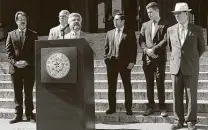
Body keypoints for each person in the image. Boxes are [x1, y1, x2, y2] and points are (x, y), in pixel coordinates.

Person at [167, 3, 206, 130]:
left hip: (191, 66)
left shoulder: (196, 29)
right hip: (176, 67)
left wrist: (192, 59)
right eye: (175, 14)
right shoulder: (170, 29)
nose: (176, 16)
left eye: (179, 13)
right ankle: (178, 120)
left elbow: (201, 48)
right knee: (176, 95)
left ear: (186, 14)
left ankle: (191, 121)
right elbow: (171, 47)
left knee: (191, 95)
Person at [5, 11, 38, 124]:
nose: (23, 21)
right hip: (15, 69)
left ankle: (30, 114)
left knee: (28, 92)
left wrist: (27, 62)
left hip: (29, 68)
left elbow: (36, 52)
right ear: (16, 21)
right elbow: (9, 52)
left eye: (24, 19)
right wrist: (15, 62)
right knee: (17, 92)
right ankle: (18, 115)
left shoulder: (33, 34)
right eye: (20, 19)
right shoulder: (10, 34)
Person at [104, 13, 137, 115]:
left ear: (123, 21)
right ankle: (112, 108)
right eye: (114, 20)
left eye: (117, 20)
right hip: (112, 63)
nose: (115, 21)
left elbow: (133, 49)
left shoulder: (130, 33)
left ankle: (128, 108)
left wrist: (132, 61)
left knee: (127, 86)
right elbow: (106, 48)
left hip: (125, 64)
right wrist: (106, 59)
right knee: (111, 86)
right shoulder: (109, 33)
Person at [139, 2, 168, 117]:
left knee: (160, 83)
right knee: (149, 83)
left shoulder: (165, 24)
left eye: (151, 12)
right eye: (148, 13)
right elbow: (141, 40)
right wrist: (147, 50)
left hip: (159, 58)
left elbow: (165, 40)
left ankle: (162, 108)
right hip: (147, 59)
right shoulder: (145, 25)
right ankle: (150, 106)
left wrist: (154, 50)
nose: (149, 14)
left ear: (157, 11)